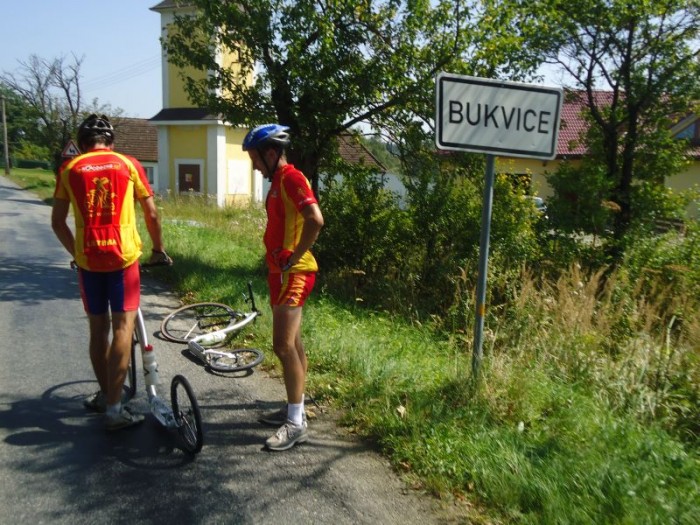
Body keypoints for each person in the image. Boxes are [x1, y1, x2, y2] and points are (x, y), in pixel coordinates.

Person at [51, 114, 172, 431]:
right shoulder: (128, 164)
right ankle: (115, 410)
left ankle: (108, 397)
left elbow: (57, 223)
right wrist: (158, 250)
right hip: (123, 259)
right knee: (122, 329)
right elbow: (152, 213)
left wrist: (76, 252)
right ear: (111, 142)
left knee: (97, 331)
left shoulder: (69, 169)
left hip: (89, 261)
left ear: (83, 143)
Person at [242, 124, 324, 451]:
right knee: (294, 345)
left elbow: (315, 219)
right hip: (279, 273)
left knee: (282, 346)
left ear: (271, 153)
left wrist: (295, 256)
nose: (253, 166)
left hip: (295, 273)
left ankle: (295, 423)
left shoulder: (291, 178)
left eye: (255, 159)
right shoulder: (276, 181)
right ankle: (296, 407)